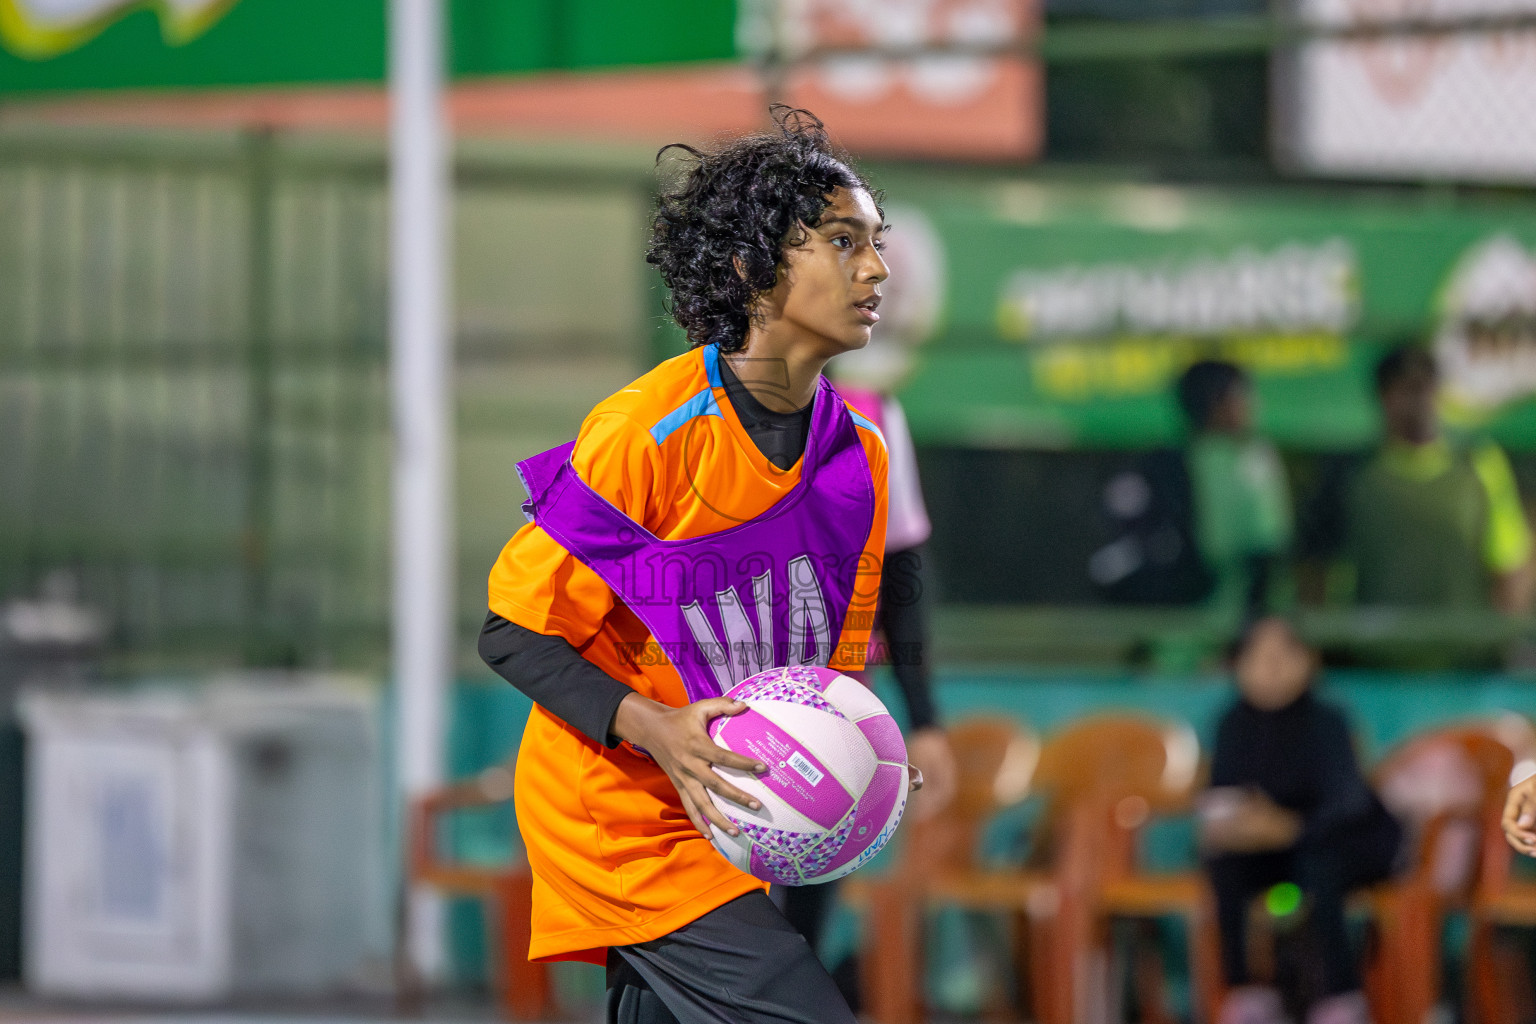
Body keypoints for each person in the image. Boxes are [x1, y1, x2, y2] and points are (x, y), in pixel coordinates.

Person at [477, 108, 896, 1024]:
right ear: (751, 269)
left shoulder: (860, 451)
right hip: (617, 808)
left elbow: (826, 674)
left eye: (877, 242)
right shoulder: (648, 432)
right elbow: (509, 631)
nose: (877, 268)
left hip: (732, 801)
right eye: (842, 241)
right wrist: (658, 728)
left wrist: (867, 762)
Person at [782, 371, 957, 1002]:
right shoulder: (687, 411)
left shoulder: (872, 415)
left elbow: (902, 564)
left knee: (804, 878)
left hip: (830, 699)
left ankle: (791, 1000)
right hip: (711, 693)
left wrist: (926, 720)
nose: (867, 278)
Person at [1201, 617, 1402, 1024]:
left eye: (1283, 656)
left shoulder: (1326, 720)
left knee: (1318, 863)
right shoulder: (1232, 724)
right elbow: (1222, 796)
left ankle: (1339, 998)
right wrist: (1234, 828)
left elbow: (1348, 804)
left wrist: (1289, 827)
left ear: (1308, 662)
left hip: (1344, 843)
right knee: (1225, 866)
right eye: (1258, 657)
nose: (1271, 668)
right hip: (1273, 853)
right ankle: (1247, 992)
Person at [1091, 359, 1292, 620]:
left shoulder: (1166, 460)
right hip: (1206, 624)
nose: (1251, 405)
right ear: (1214, 404)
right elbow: (1260, 552)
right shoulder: (1239, 460)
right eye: (1240, 396)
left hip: (1212, 624)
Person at [1342, 344, 1532, 612]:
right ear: (1383, 397)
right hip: (1375, 650)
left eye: (1425, 387)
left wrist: (1507, 637)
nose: (1418, 401)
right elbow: (1318, 570)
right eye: (1406, 389)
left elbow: (1509, 560)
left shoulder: (1479, 461)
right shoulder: (1354, 473)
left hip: (1467, 649)